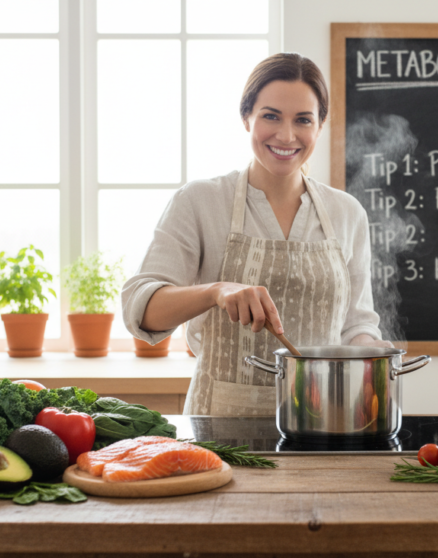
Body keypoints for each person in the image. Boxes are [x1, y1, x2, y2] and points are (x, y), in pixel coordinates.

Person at [121, 52, 388, 416]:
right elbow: (141, 309)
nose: (286, 135)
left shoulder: (347, 212)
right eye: (271, 116)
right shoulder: (200, 201)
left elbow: (356, 323)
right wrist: (218, 291)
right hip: (218, 422)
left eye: (303, 120)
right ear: (246, 118)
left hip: (320, 419)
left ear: (320, 126)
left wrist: (369, 352)